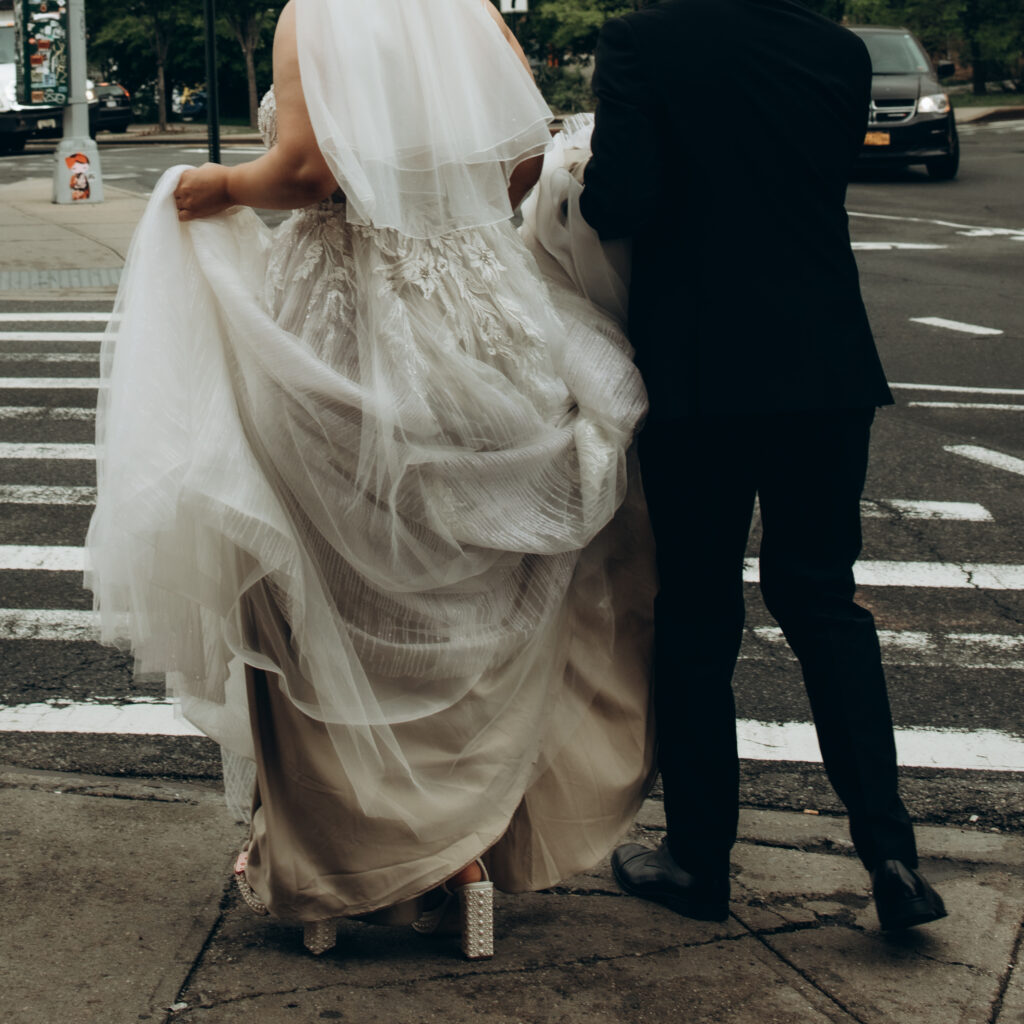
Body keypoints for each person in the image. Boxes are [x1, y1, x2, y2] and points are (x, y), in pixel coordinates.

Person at [85, 0, 656, 960]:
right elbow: (520, 162)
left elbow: (304, 174)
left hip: (342, 315)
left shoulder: (315, 14)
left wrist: (205, 188)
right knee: (467, 593)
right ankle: (460, 854)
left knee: (318, 588)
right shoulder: (471, 11)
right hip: (480, 317)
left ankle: (334, 869)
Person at [579, 0, 946, 931]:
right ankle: (891, 855)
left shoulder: (640, 40)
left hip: (701, 369)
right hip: (827, 360)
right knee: (824, 598)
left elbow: (623, 199)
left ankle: (699, 862)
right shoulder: (837, 48)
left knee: (699, 612)